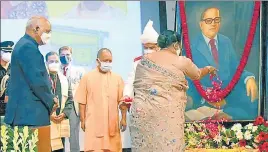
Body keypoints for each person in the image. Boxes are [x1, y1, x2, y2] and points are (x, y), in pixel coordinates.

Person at [129, 30, 217, 152]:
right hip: (166, 114)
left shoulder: (144, 60)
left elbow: (139, 85)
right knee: (168, 144)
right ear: (176, 45)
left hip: (142, 111)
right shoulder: (181, 61)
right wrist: (208, 68)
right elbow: (197, 74)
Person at [187, 7, 258, 120]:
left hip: (229, 96)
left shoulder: (226, 41)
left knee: (253, 105)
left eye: (216, 20)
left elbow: (236, 67)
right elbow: (189, 80)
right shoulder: (191, 46)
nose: (213, 24)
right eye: (209, 20)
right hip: (204, 100)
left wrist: (248, 78)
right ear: (201, 24)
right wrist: (207, 98)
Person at [4, 16, 58, 152]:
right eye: (47, 31)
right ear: (36, 29)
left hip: (27, 116)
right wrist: (52, 101)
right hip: (31, 116)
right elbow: (38, 82)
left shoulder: (23, 45)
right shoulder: (28, 48)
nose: (49, 35)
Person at [75, 48, 128, 152]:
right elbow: (82, 101)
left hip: (112, 124)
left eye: (110, 61)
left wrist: (124, 119)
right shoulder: (87, 77)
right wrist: (82, 120)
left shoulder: (117, 78)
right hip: (93, 124)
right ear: (97, 61)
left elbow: (122, 102)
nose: (108, 63)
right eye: (105, 60)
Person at [121, 19, 160, 151]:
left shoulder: (164, 62)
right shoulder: (137, 63)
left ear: (158, 47)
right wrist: (126, 95)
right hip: (141, 108)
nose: (148, 50)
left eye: (151, 47)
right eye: (146, 47)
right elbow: (130, 81)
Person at [58, 46, 85, 152]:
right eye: (62, 55)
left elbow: (85, 89)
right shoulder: (54, 69)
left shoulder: (79, 71)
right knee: (58, 137)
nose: (65, 57)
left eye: (68, 54)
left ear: (71, 55)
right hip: (59, 107)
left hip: (74, 107)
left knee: (73, 135)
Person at [45, 52, 74, 152]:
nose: (54, 63)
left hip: (60, 120)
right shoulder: (41, 79)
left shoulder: (64, 79)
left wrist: (64, 114)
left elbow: (70, 100)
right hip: (45, 122)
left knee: (59, 149)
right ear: (46, 62)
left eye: (56, 61)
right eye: (51, 61)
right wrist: (49, 115)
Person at [0, 41, 14, 148]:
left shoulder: (14, 68)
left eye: (10, 52)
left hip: (11, 112)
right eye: (5, 51)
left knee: (10, 143)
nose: (8, 54)